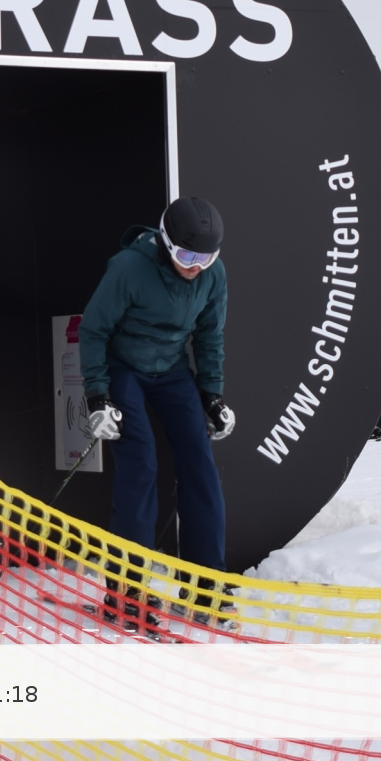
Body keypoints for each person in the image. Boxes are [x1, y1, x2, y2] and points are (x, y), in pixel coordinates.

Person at [78, 196, 234, 626]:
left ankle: (204, 586)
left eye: (205, 258)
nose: (195, 267)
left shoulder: (213, 275)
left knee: (200, 462)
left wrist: (212, 394)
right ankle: (127, 588)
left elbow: (210, 335)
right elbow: (93, 330)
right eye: (187, 257)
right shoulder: (129, 268)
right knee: (141, 463)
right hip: (124, 367)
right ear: (166, 242)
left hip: (171, 370)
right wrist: (97, 396)